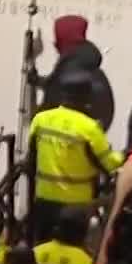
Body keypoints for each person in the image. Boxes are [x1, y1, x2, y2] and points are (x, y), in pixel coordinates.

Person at [25, 74, 121, 243]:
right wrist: (125, 155)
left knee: (41, 250)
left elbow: (31, 158)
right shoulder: (89, 128)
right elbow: (110, 164)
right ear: (87, 99)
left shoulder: (41, 120)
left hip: (44, 199)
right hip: (76, 205)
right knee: (73, 253)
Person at [26, 13, 115, 131]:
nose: (54, 43)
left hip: (67, 143)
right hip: (88, 139)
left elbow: (54, 98)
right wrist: (36, 79)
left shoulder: (71, 68)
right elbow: (57, 86)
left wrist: (31, 60)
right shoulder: (85, 63)